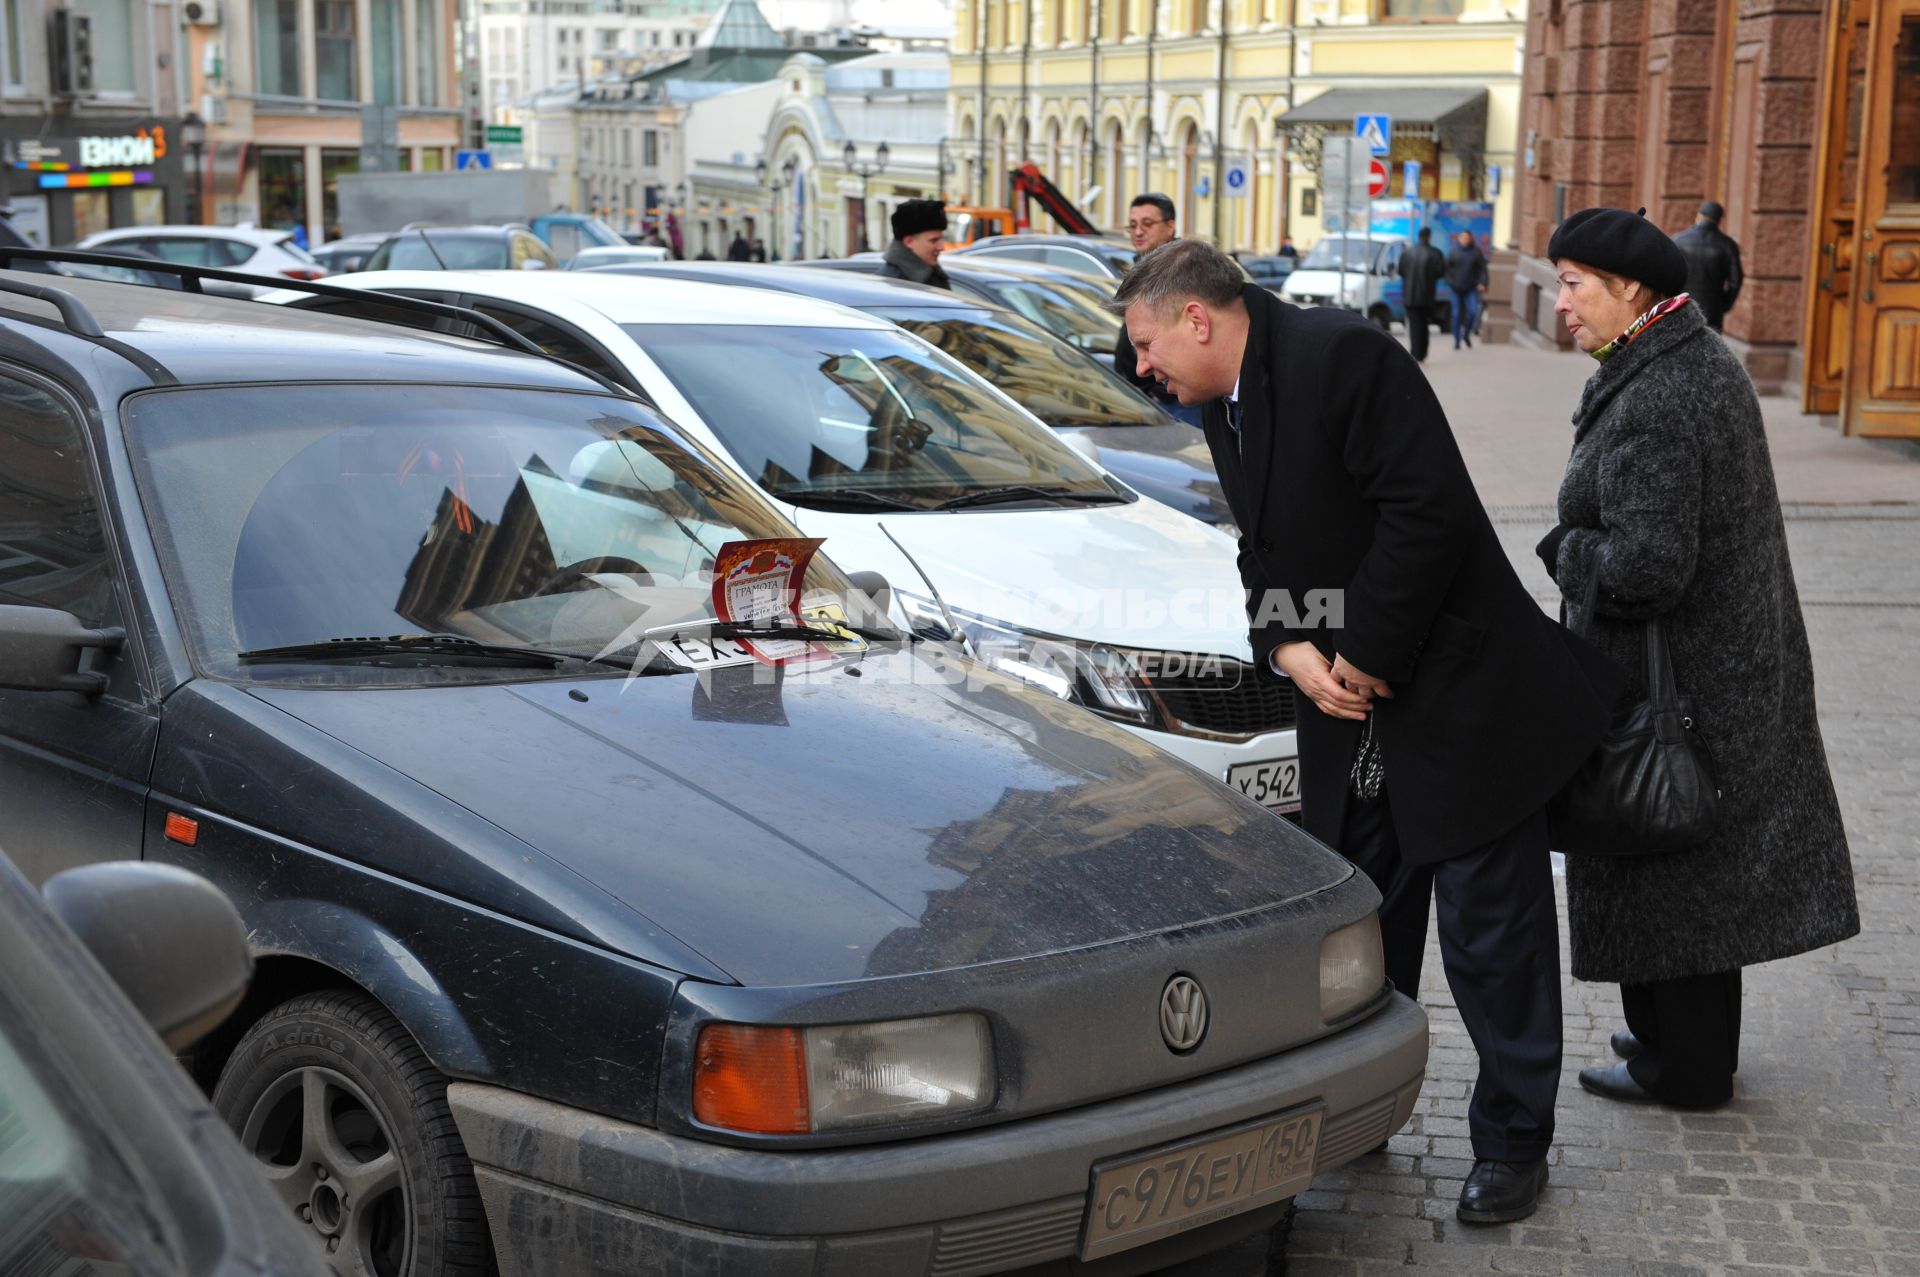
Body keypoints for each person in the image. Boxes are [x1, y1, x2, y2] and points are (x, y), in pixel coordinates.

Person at [1111, 239, 1622, 1226]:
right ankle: (1361, 1113)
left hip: (1464, 707)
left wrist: (1363, 653)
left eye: (1146, 344)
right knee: (1365, 939)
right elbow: (1261, 548)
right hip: (1349, 721)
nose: (1141, 367)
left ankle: (1515, 1145)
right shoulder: (1225, 402)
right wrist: (1290, 646)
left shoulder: (1345, 357)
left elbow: (1425, 517)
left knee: (1493, 945)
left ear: (1197, 318)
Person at [1537, 207, 1859, 1110]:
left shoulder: (1660, 395)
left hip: (1678, 680)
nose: (1561, 302)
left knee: (1664, 863)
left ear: (1630, 289)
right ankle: (1686, 1044)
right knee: (1696, 880)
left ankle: (1681, 1069)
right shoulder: (1686, 359)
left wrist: (1564, 548)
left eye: (1574, 285)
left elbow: (1646, 567)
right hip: (1721, 670)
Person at [1113, 194, 1203, 426]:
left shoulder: (1184, 270)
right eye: (1132, 225)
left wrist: (1162, 388)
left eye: (1147, 224)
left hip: (1175, 400)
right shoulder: (1141, 268)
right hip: (1143, 396)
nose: (1138, 231)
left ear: (1170, 226)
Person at [1672, 200, 1744, 331]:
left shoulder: (1678, 240)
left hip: (1681, 306)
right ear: (1719, 221)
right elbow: (1735, 281)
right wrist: (1724, 304)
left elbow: (1668, 274)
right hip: (1712, 310)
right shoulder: (1728, 245)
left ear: (1698, 216)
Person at [875, 198, 951, 289]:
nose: (941, 247)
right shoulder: (892, 285)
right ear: (909, 242)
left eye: (941, 239)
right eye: (933, 240)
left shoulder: (932, 275)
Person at [1397, 227, 1446, 363]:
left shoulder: (1407, 253)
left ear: (1419, 236)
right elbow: (1441, 271)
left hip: (1409, 295)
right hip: (1426, 296)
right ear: (1429, 237)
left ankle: (1415, 352)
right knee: (1424, 324)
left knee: (1413, 325)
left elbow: (1401, 270)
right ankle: (1422, 352)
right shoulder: (1435, 253)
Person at [1445, 230, 1489, 349]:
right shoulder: (1453, 252)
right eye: (1462, 237)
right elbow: (1447, 270)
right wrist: (1450, 282)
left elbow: (1482, 269)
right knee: (1456, 314)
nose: (1465, 239)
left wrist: (1482, 283)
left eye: (1467, 237)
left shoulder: (1476, 252)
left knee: (1473, 312)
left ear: (1470, 239)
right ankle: (1457, 340)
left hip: (1471, 288)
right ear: (1458, 239)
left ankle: (1466, 334)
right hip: (1456, 289)